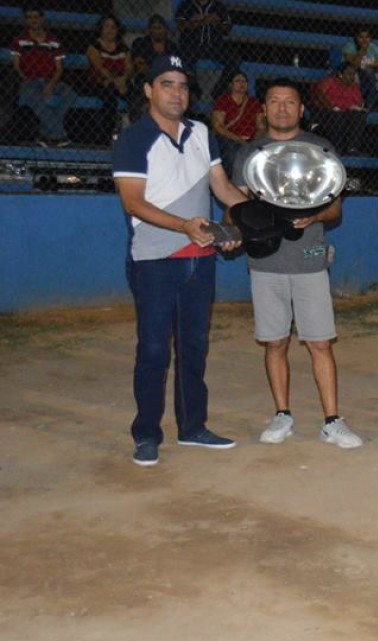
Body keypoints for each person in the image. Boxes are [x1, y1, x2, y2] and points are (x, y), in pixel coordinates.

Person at [111, 54, 248, 466]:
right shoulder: (134, 139)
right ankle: (147, 434)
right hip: (155, 258)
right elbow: (132, 202)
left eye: (183, 85)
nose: (177, 92)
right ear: (149, 90)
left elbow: (222, 188)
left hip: (200, 258)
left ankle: (192, 427)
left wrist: (253, 220)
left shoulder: (203, 132)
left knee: (194, 346)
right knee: (153, 350)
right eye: (167, 84)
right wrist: (183, 226)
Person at [228, 77, 363, 450]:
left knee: (320, 342)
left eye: (290, 102)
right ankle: (282, 414)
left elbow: (334, 206)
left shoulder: (320, 149)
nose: (282, 108)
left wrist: (314, 217)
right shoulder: (251, 154)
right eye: (275, 101)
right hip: (266, 262)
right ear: (265, 108)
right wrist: (246, 224)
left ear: (301, 109)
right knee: (274, 343)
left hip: (309, 261)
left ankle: (332, 421)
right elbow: (236, 204)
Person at [9, 5, 76, 147]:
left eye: (36, 17)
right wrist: (26, 78)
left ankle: (45, 134)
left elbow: (59, 68)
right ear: (26, 20)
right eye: (29, 17)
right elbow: (16, 66)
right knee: (33, 95)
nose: (33, 20)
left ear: (42, 19)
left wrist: (51, 84)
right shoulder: (20, 40)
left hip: (50, 80)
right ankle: (59, 135)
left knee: (69, 94)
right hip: (29, 81)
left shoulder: (53, 41)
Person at [85, 15, 131, 144]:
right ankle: (105, 138)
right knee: (109, 98)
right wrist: (116, 81)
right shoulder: (94, 46)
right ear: (100, 28)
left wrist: (123, 80)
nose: (110, 30)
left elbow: (128, 68)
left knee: (137, 93)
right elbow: (99, 67)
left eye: (113, 27)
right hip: (98, 83)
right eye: (107, 26)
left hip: (120, 83)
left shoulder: (123, 48)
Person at [175, 0, 233, 99]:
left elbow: (227, 29)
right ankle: (194, 89)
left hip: (214, 47)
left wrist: (217, 22)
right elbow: (180, 26)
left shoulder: (218, 6)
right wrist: (193, 22)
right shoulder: (186, 4)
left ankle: (217, 91)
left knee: (233, 61)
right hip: (191, 46)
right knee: (181, 59)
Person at [211, 69, 262, 175]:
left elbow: (261, 126)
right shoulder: (223, 100)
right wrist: (239, 140)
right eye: (237, 81)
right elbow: (218, 126)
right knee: (232, 154)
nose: (241, 84)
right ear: (230, 85)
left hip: (251, 139)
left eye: (244, 81)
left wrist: (254, 140)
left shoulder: (254, 103)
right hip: (229, 139)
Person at [129, 15, 179, 119]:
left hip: (167, 82)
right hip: (145, 81)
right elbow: (140, 67)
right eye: (155, 28)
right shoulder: (140, 43)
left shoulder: (172, 47)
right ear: (150, 30)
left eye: (161, 28)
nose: (159, 31)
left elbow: (176, 68)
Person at [310, 62, 366, 154]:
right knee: (336, 117)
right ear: (340, 74)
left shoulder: (354, 87)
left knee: (359, 116)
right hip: (328, 111)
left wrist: (357, 107)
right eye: (349, 74)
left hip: (347, 113)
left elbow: (359, 103)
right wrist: (331, 107)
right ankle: (336, 148)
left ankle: (352, 148)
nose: (352, 77)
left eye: (353, 75)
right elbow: (319, 94)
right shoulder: (330, 81)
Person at [341, 29, 378, 111]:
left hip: (370, 76)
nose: (364, 40)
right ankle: (361, 102)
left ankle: (367, 105)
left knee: (377, 80)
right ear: (356, 38)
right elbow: (354, 65)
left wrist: (362, 63)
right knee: (368, 71)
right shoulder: (350, 47)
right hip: (353, 72)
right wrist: (362, 51)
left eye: (367, 37)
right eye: (361, 37)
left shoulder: (374, 48)